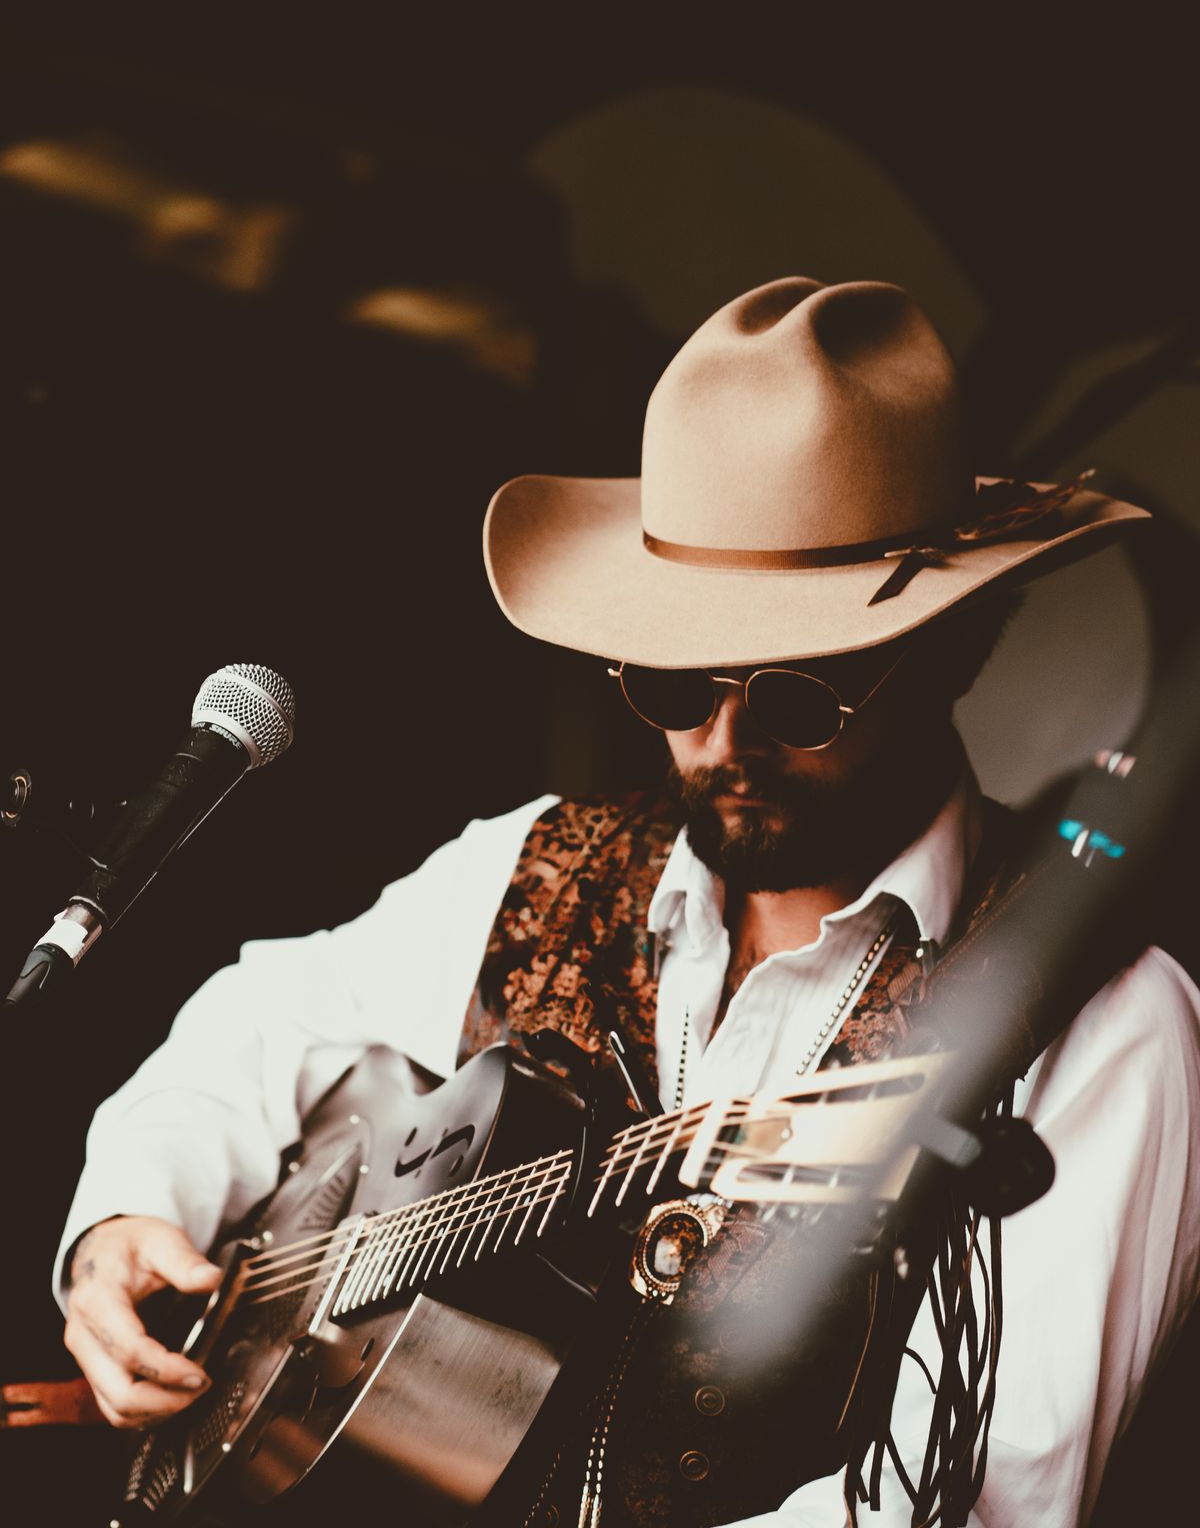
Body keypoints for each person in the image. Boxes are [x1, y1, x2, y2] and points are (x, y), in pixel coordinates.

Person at [55, 278, 1200, 1526]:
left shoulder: (1094, 1019)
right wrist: (128, 1212)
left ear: (955, 655)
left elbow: (986, 1502)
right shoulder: (537, 857)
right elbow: (268, 1009)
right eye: (672, 685)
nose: (724, 742)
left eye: (799, 696)